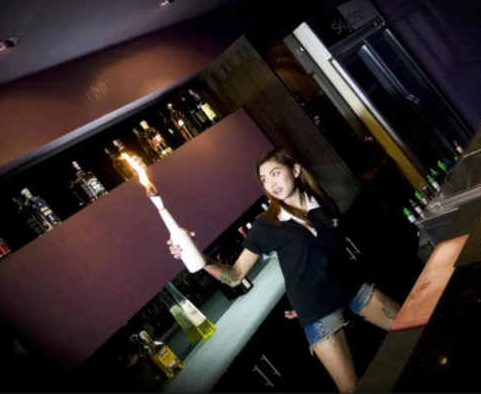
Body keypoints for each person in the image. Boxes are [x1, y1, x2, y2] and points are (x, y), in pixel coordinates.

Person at [167, 148, 400, 392]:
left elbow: (334, 253)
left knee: (409, 325)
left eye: (275, 173)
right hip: (317, 308)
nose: (271, 183)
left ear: (295, 170)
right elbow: (234, 276)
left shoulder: (322, 204)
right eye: (264, 179)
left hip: (350, 285)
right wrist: (199, 258)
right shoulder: (266, 225)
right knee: (352, 388)